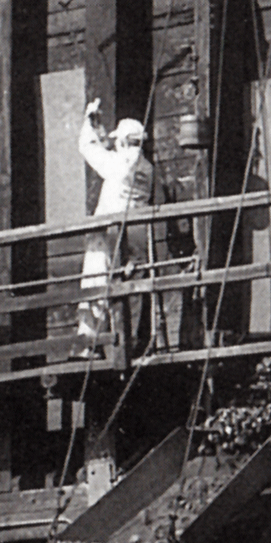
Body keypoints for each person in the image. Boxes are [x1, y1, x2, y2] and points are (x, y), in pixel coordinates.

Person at [76, 98, 153, 354]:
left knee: (96, 281)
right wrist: (101, 129)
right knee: (130, 287)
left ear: (123, 142)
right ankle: (129, 346)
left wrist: (89, 122)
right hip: (137, 234)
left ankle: (88, 345)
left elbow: (89, 149)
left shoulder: (119, 164)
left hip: (110, 233)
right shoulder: (147, 168)